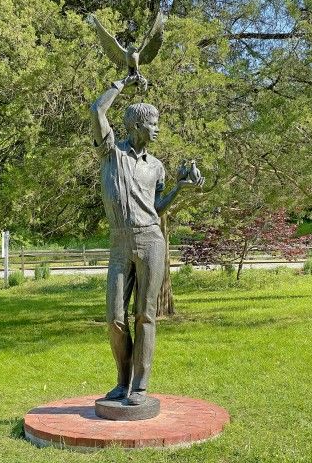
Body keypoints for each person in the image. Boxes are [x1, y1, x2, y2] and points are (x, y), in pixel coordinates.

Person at [90, 74, 204, 405]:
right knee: (114, 317)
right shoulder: (111, 153)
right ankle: (122, 381)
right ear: (137, 126)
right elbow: (97, 110)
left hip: (152, 241)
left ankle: (140, 385)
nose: (156, 129)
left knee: (146, 315)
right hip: (120, 243)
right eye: (152, 124)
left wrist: (180, 188)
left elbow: (156, 207)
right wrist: (121, 82)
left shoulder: (156, 166)